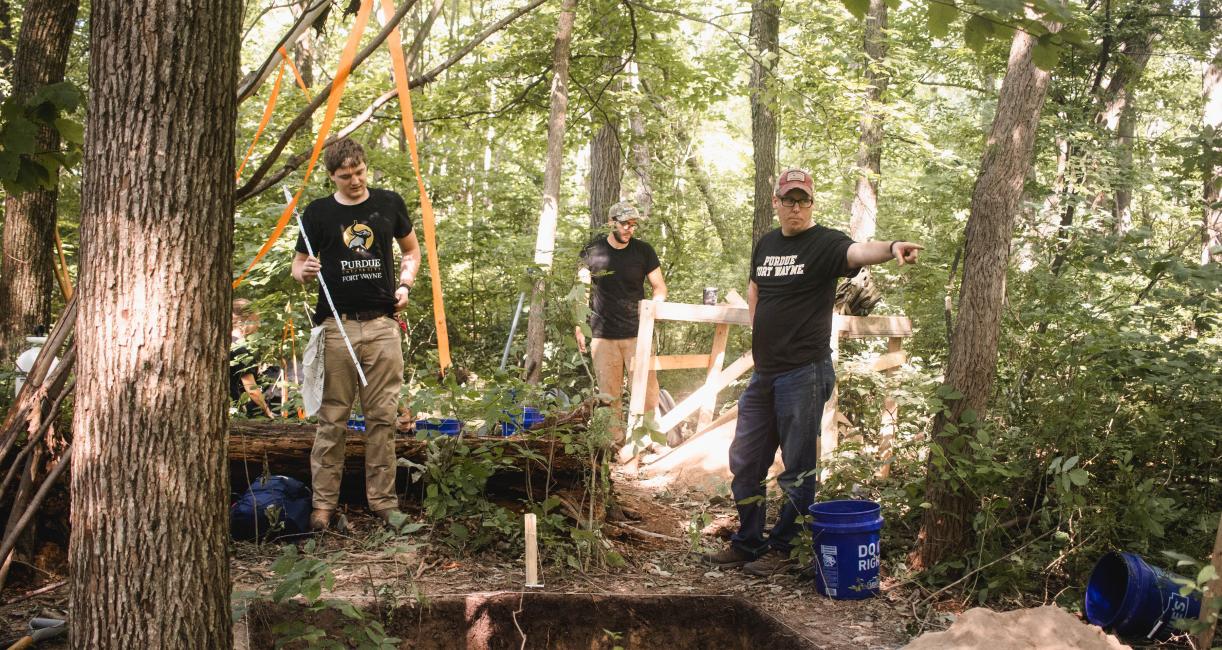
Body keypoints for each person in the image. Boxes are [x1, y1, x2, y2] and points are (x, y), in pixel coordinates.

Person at [704, 168, 922, 576]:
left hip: (803, 374)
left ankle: (783, 549)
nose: (796, 208)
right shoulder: (766, 244)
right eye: (789, 200)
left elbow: (857, 252)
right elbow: (755, 287)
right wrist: (761, 327)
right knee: (746, 461)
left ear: (812, 204)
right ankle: (749, 542)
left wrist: (892, 247)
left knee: (798, 466)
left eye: (803, 200)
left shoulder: (824, 243)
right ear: (776, 203)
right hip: (764, 375)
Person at [291, 138, 421, 530]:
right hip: (336, 326)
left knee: (382, 418)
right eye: (346, 176)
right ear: (332, 176)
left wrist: (405, 285)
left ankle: (383, 503)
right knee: (333, 420)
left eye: (360, 172)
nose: (355, 182)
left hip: (382, 325)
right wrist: (305, 271)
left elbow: (412, 252)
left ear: (366, 166)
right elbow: (297, 266)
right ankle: (323, 508)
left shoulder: (388, 203)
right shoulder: (317, 213)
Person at [575, 201, 667, 453]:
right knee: (609, 394)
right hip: (603, 335)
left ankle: (650, 441)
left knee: (648, 390)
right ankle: (615, 446)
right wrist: (579, 324)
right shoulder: (592, 250)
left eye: (633, 224)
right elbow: (582, 290)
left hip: (639, 333)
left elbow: (659, 287)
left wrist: (655, 306)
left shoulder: (643, 251)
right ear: (611, 222)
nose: (629, 229)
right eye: (624, 223)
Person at [230, 299, 277, 419]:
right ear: (242, 322)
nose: (259, 325)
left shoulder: (223, 341)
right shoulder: (240, 350)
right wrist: (268, 412)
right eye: (255, 320)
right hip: (233, 410)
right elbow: (251, 389)